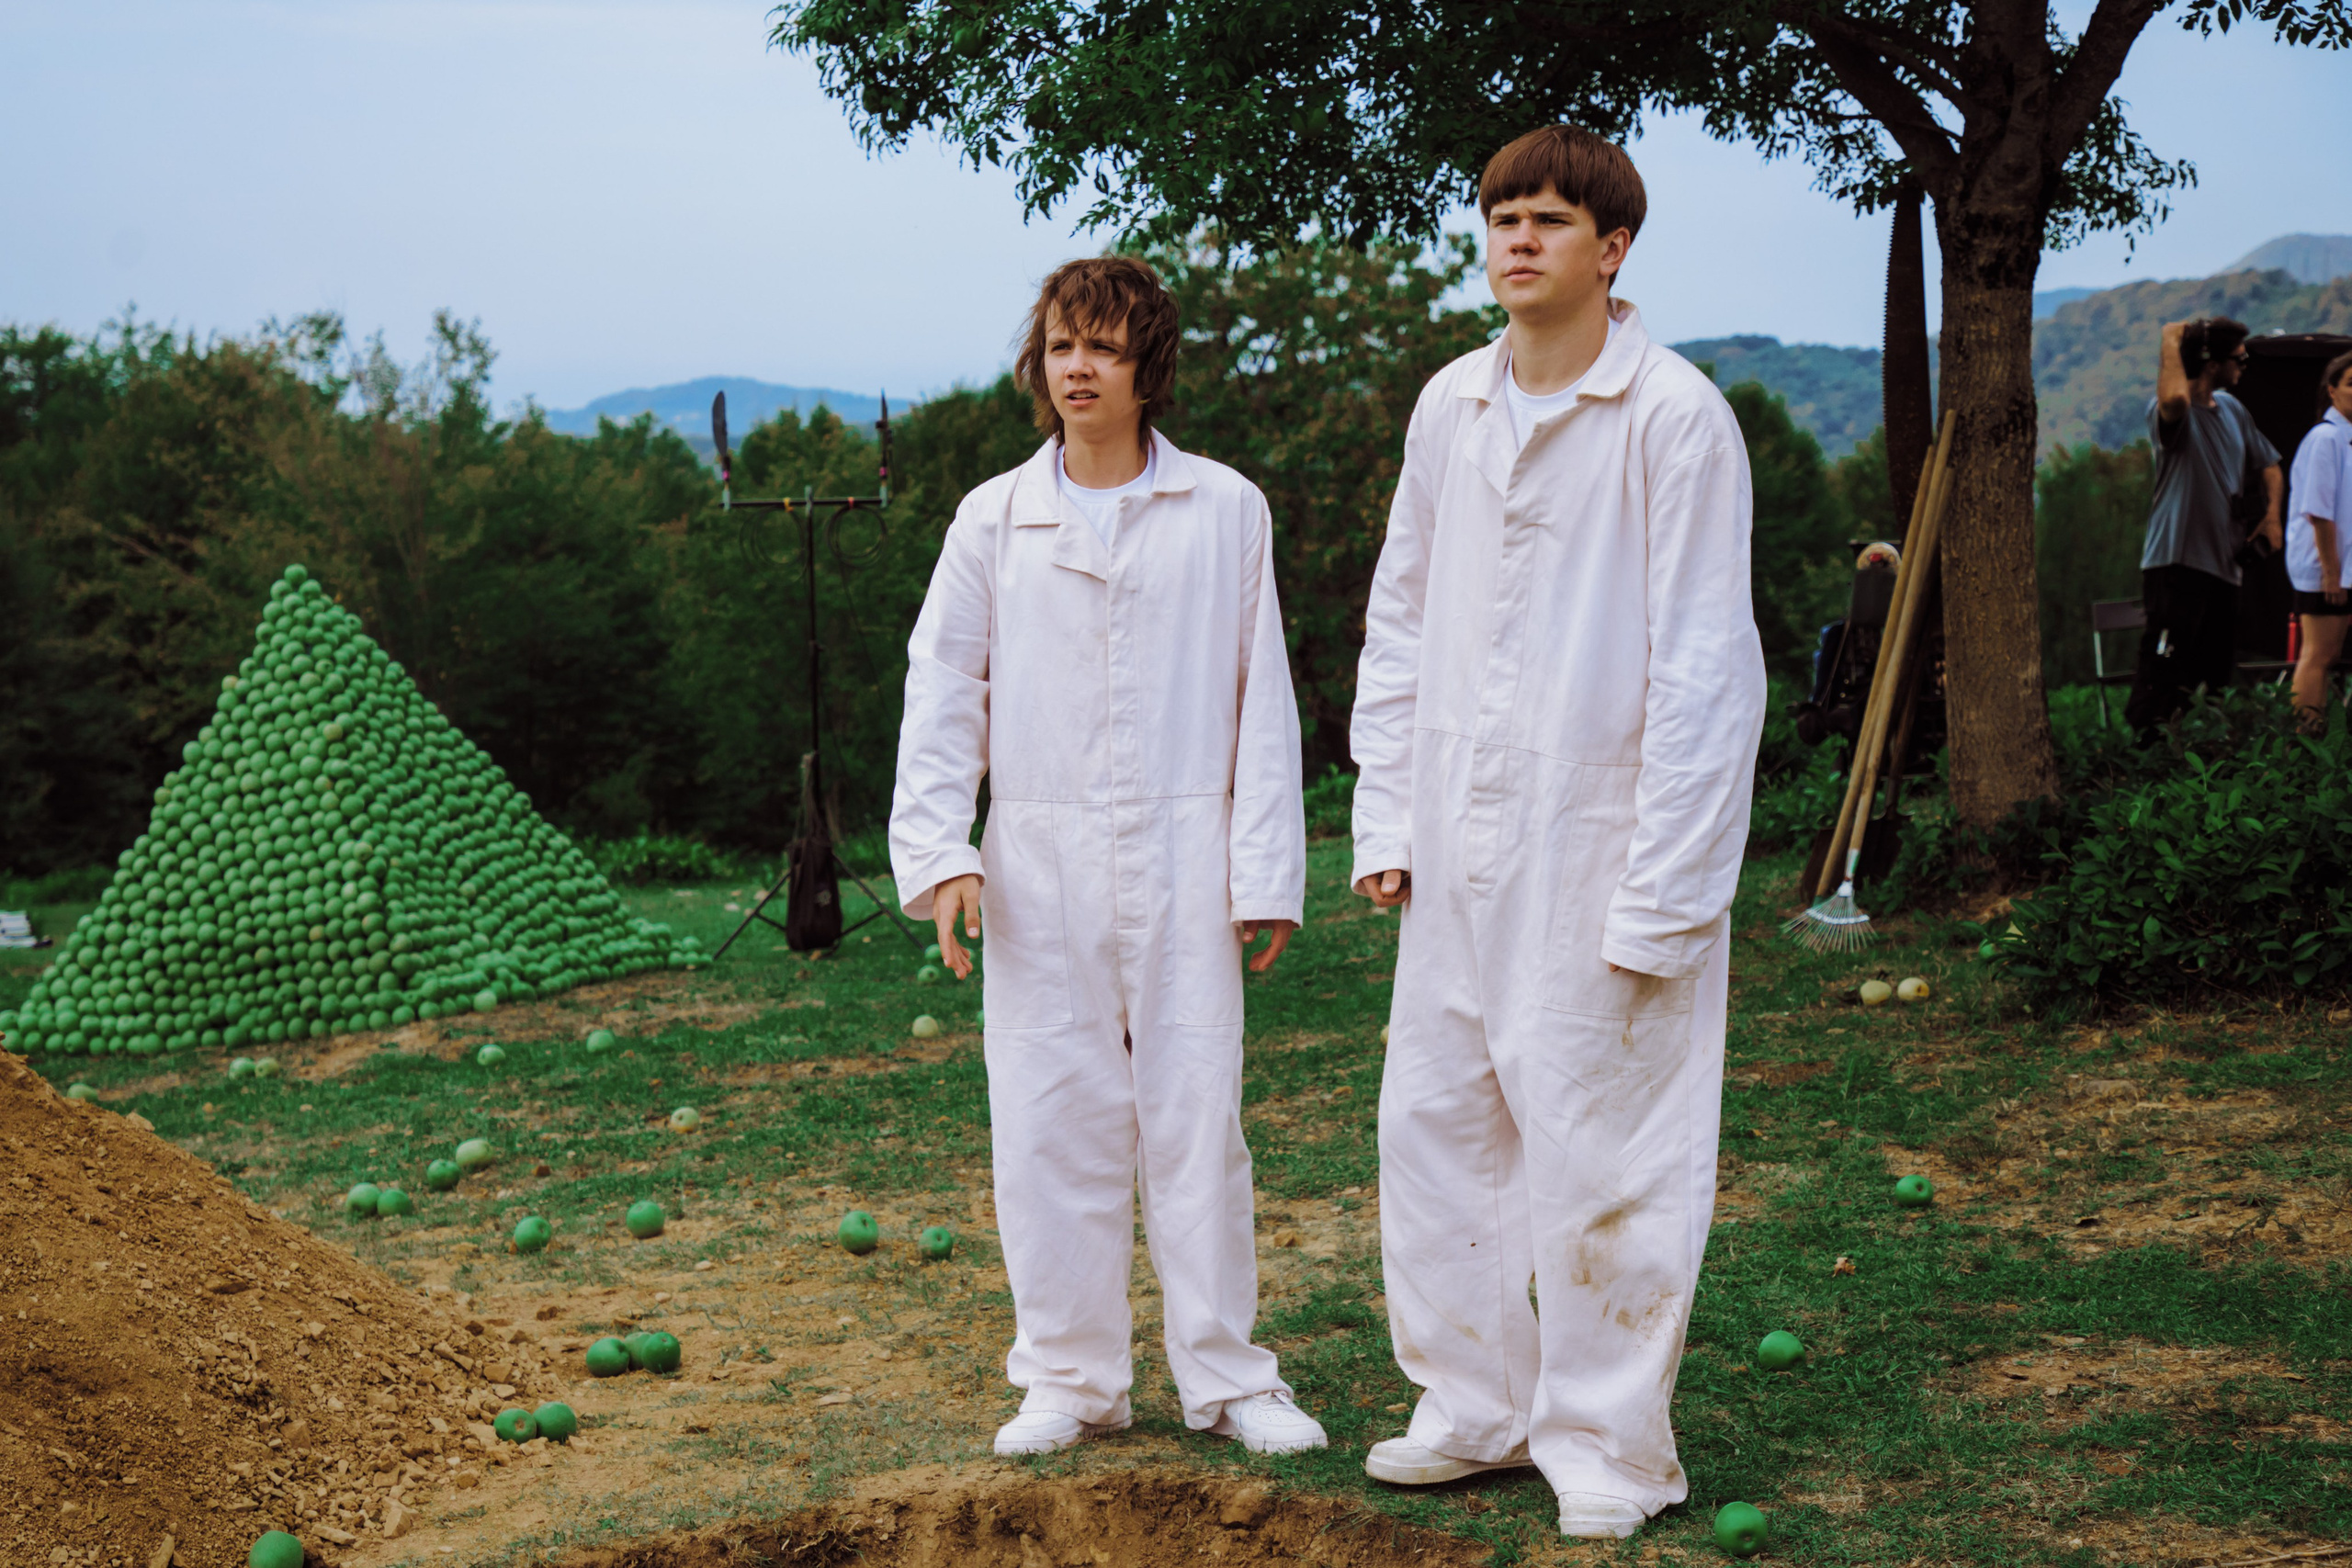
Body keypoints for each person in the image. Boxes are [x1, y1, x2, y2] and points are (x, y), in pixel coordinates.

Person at [1348, 125, 1765, 1541]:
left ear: (1614, 248)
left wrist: (1669, 889)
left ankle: (1610, 1442)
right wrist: (1386, 808)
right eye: (1500, 215)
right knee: (1435, 1123)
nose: (1518, 238)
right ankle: (1473, 1401)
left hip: (1604, 834)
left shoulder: (1672, 414)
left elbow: (1710, 666)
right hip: (1458, 835)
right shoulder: (1450, 405)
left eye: (1548, 220)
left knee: (1603, 1146)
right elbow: (1401, 614)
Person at [888, 255, 1327, 1461]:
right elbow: (945, 688)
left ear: (1147, 368)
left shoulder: (1226, 507)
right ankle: (1069, 1377)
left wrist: (1263, 869)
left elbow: (1262, 700)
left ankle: (1231, 1376)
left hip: (1188, 843)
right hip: (1038, 847)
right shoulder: (993, 515)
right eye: (1062, 345)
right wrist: (943, 854)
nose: (1078, 367)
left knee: (1198, 1119)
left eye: (1105, 347)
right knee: (1045, 1120)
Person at [2124, 315, 2283, 736]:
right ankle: (2147, 755)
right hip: (2177, 562)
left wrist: (2271, 517)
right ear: (2211, 363)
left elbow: (2270, 465)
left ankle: (2202, 755)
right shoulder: (2171, 413)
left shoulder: (2232, 408)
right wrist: (2170, 340)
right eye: (2239, 358)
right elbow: (2176, 397)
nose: (2244, 366)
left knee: (2214, 676)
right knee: (2165, 668)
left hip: (2226, 566)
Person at [2286, 351, 2352, 733]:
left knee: (2332, 654)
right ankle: (2305, 737)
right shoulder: (2325, 438)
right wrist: (2331, 572)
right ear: (2332, 391)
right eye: (2351, 383)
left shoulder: (2347, 440)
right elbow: (2319, 511)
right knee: (2318, 654)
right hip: (2324, 568)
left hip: (2342, 567)